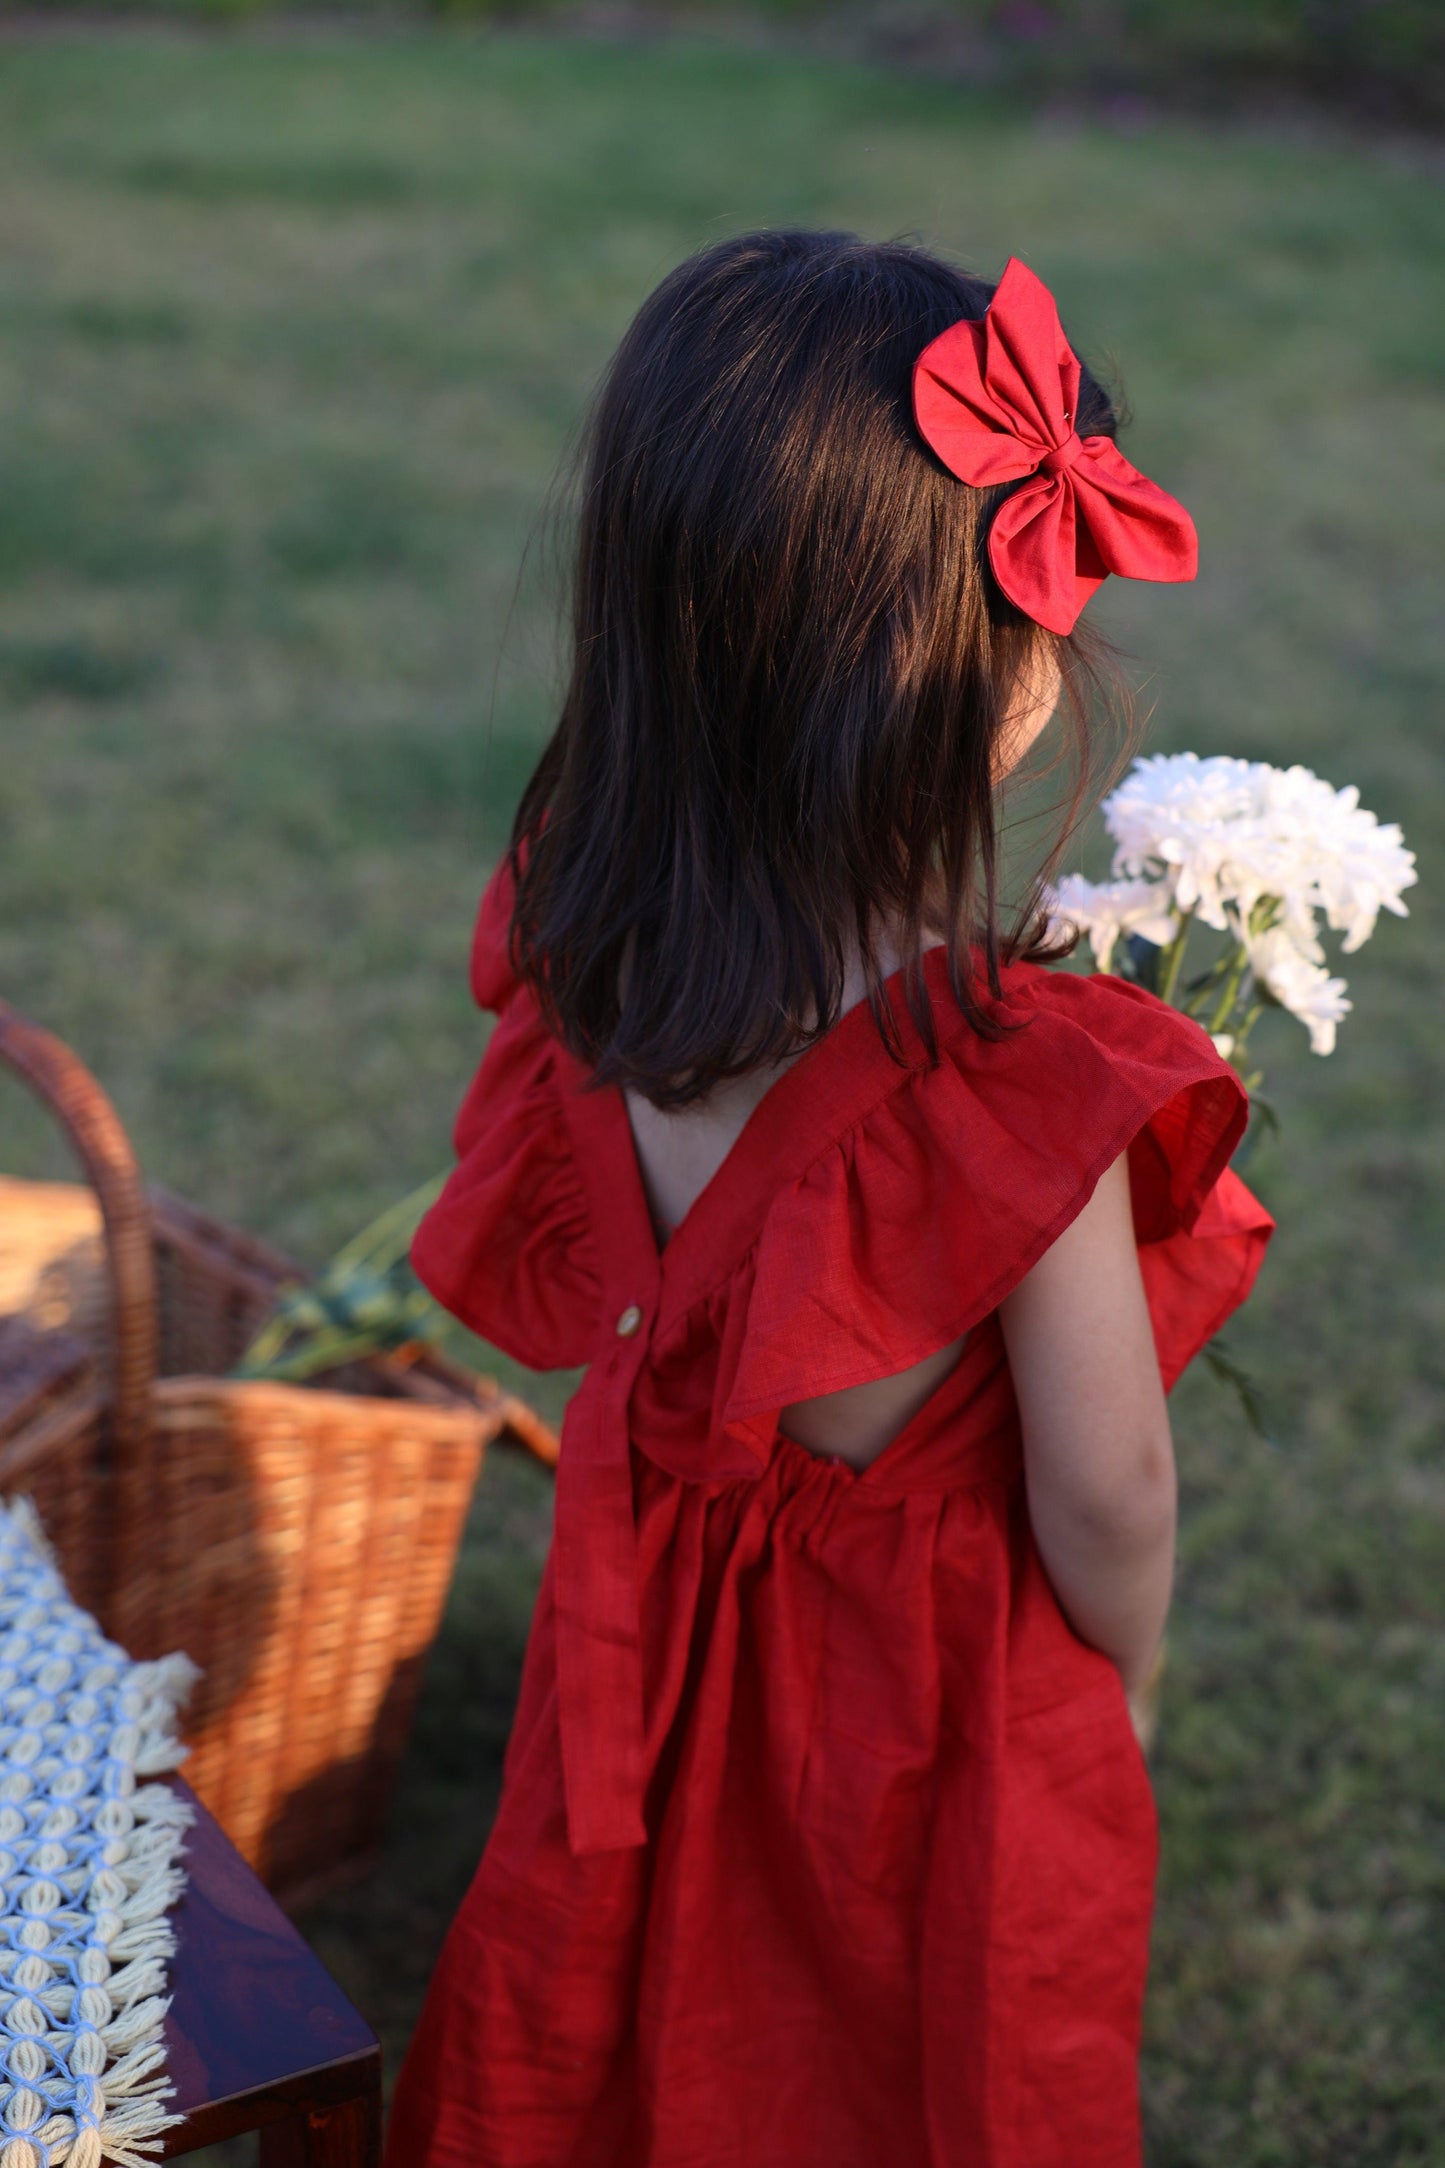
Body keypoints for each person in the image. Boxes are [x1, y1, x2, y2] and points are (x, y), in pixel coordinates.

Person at [385, 232, 1273, 2167]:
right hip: (930, 1718)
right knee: (912, 2054)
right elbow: (1107, 1490)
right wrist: (1111, 1683)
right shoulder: (1007, 1087)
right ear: (996, 672)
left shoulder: (580, 938)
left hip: (650, 1642)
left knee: (627, 2008)